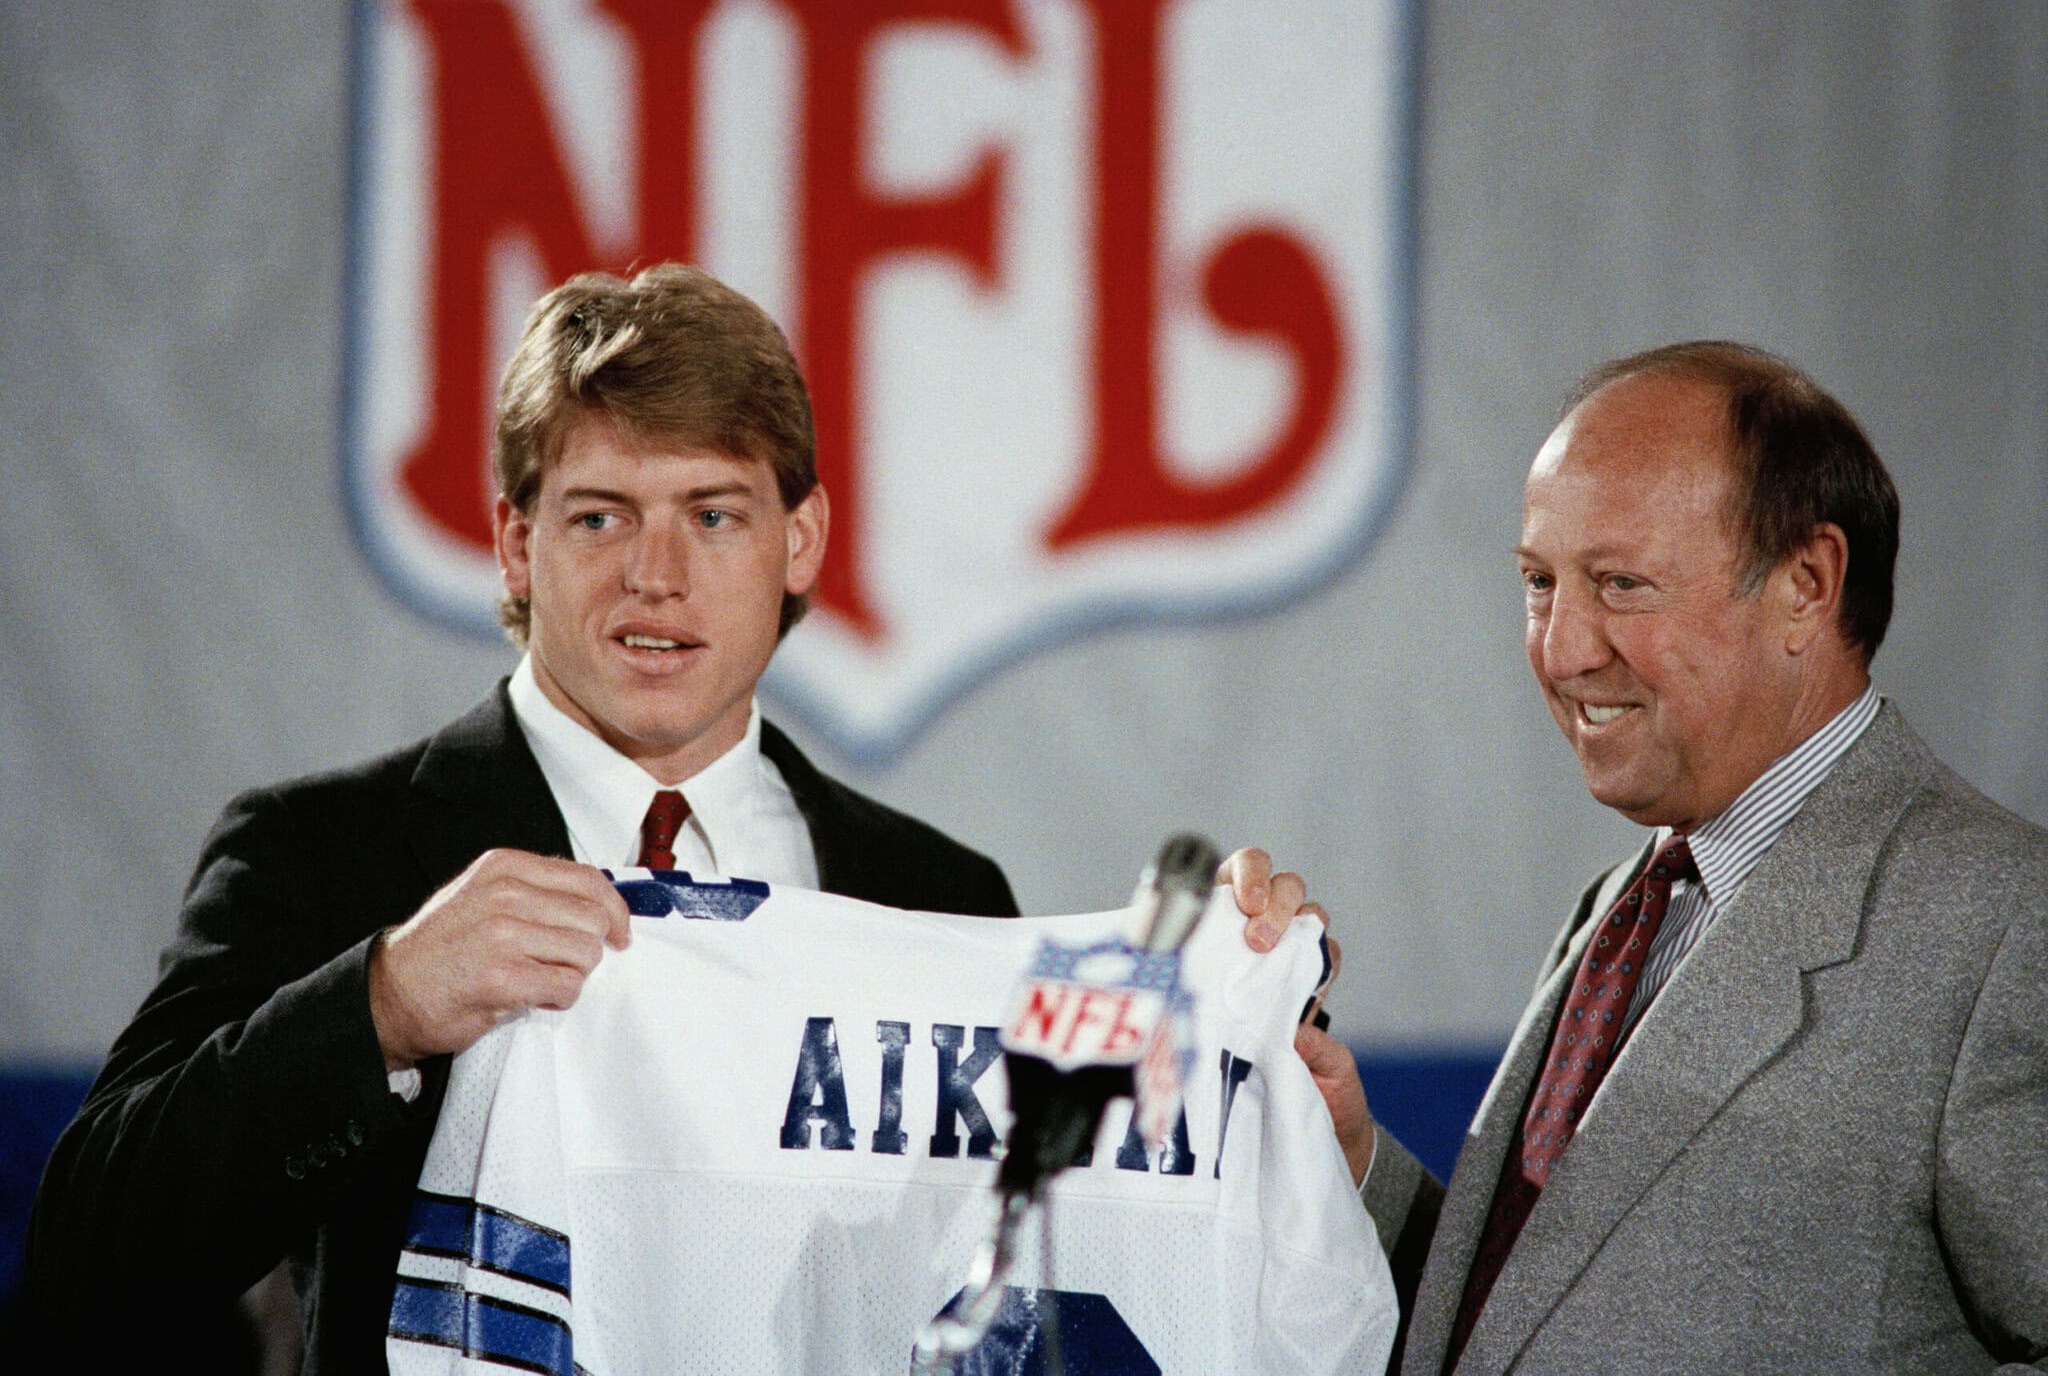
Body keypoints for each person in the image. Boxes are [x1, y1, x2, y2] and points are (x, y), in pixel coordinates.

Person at [19, 264, 1307, 1369]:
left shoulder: (933, 894)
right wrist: (386, 1003)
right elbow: (85, 1255)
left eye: (713, 514)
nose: (656, 574)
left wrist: (1246, 1043)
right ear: (514, 544)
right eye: (600, 517)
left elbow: (1023, 1285)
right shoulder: (324, 855)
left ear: (799, 541)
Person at [1245, 341, 2048, 1374]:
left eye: (1620, 585)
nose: (1561, 649)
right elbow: (1537, 1322)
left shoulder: (2007, 925)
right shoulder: (1625, 906)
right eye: (1540, 582)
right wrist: (1347, 1155)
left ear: (1806, 585)